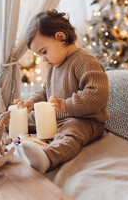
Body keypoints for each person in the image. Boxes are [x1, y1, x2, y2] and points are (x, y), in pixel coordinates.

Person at [13, 9, 110, 173]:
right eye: (39, 55)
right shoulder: (54, 68)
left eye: (44, 51)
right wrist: (32, 102)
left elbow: (97, 95)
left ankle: (47, 157)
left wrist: (66, 105)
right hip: (56, 117)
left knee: (70, 135)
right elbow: (45, 92)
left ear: (61, 37)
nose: (43, 58)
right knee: (25, 117)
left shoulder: (85, 61)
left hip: (84, 120)